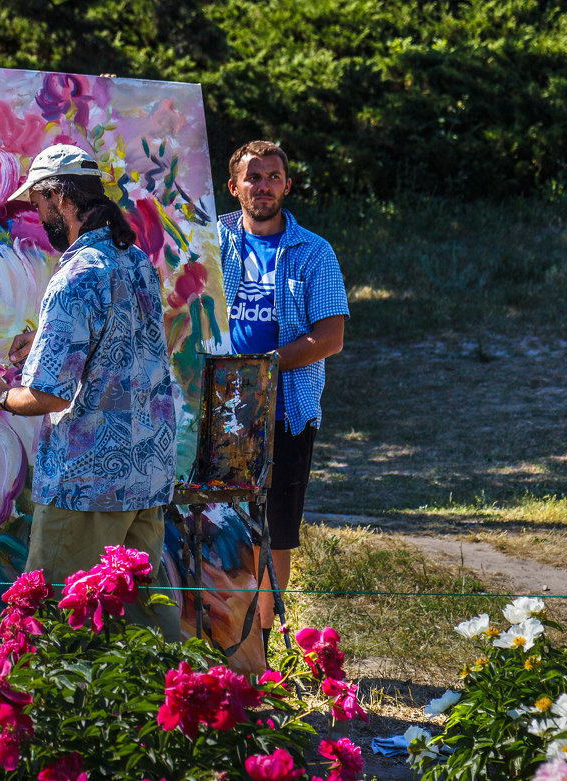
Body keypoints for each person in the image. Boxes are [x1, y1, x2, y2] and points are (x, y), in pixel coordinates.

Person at [0, 143, 178, 638]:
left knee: (57, 619)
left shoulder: (76, 276)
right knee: (143, 625)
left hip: (87, 487)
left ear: (59, 198)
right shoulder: (136, 262)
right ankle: (211, 704)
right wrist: (44, 340)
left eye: (39, 206)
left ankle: (49, 718)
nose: (39, 218)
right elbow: (118, 353)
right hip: (144, 475)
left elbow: (48, 398)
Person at [218, 140, 349, 657]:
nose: (264, 186)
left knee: (275, 531)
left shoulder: (314, 251)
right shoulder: (211, 240)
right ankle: (223, 633)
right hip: (221, 406)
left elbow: (330, 337)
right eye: (254, 177)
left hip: (286, 409)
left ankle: (265, 644)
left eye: (273, 176)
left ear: (287, 185)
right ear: (235, 187)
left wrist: (262, 369)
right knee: (221, 519)